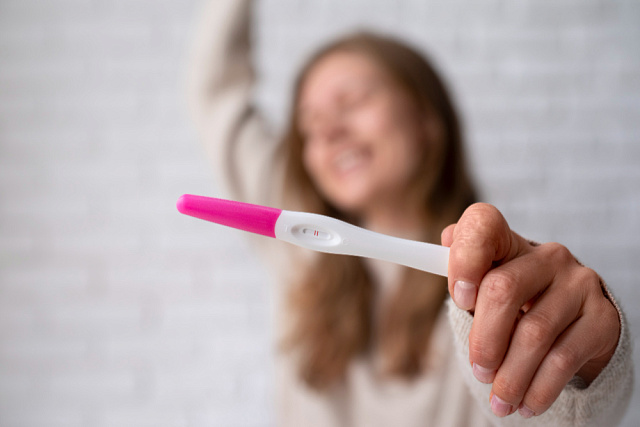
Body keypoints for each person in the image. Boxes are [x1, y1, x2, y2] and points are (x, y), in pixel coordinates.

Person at [186, 1, 633, 425]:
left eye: (351, 103)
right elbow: (216, 94)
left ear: (426, 118)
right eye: (309, 126)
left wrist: (588, 366)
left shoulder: (504, 283)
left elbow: (565, 418)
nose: (328, 132)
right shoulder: (299, 257)